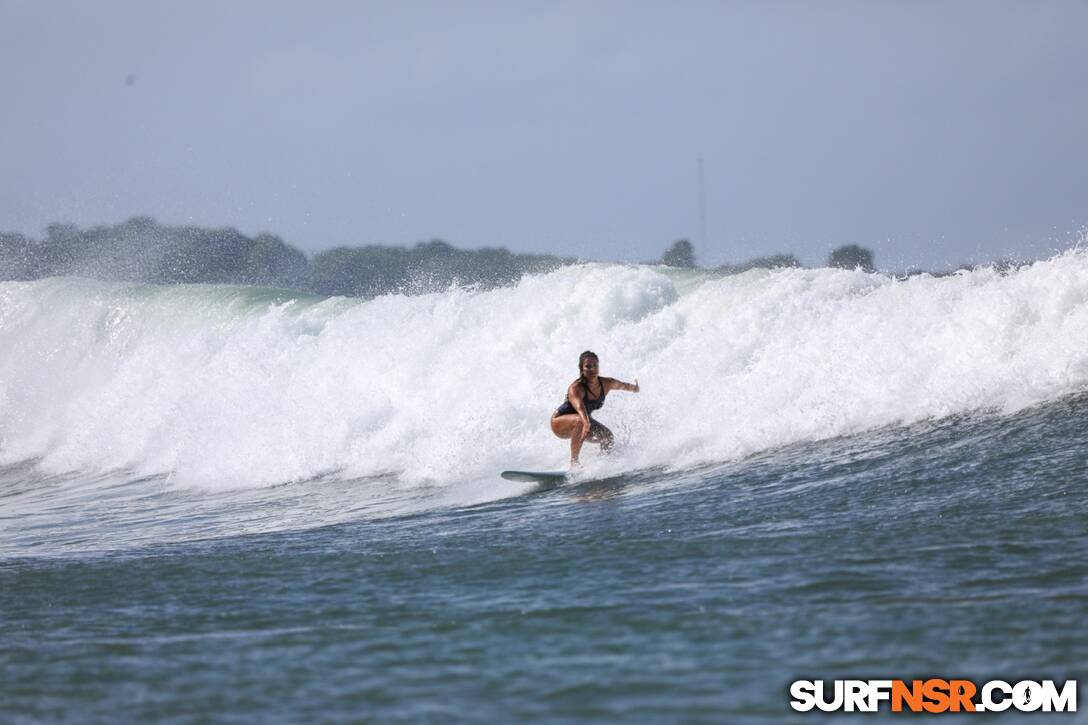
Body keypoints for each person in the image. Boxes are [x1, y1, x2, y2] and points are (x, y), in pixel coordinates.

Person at [550, 350, 639, 465]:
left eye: (595, 365)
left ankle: (602, 463)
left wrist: (635, 388)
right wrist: (586, 421)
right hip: (560, 423)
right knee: (580, 421)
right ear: (582, 369)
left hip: (583, 423)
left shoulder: (607, 383)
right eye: (588, 366)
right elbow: (580, 407)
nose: (592, 369)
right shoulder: (576, 388)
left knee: (608, 437)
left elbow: (623, 385)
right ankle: (574, 463)